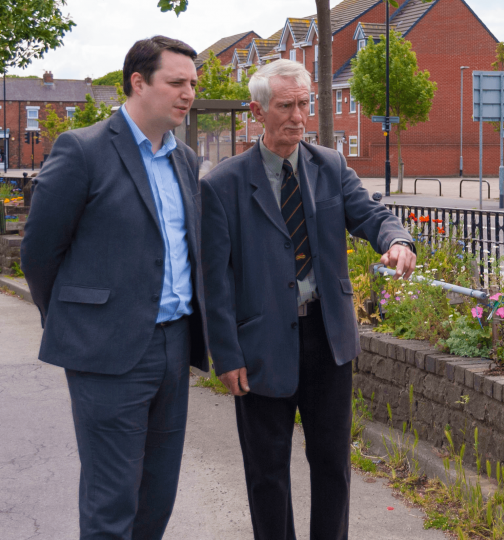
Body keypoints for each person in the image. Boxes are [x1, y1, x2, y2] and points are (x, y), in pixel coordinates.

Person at [200, 59, 416, 540]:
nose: (298, 116)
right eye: (286, 106)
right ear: (258, 111)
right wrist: (226, 355)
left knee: (333, 467)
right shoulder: (222, 185)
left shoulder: (330, 165)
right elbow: (214, 281)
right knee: (267, 474)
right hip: (260, 347)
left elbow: (370, 215)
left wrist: (396, 240)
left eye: (304, 104)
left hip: (328, 339)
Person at [21, 36, 207, 540]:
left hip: (174, 344)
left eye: (192, 83)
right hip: (105, 351)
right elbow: (38, 255)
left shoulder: (184, 160)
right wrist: (78, 320)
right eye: (176, 82)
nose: (188, 93)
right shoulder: (81, 150)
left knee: (157, 495)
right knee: (111, 500)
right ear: (138, 83)